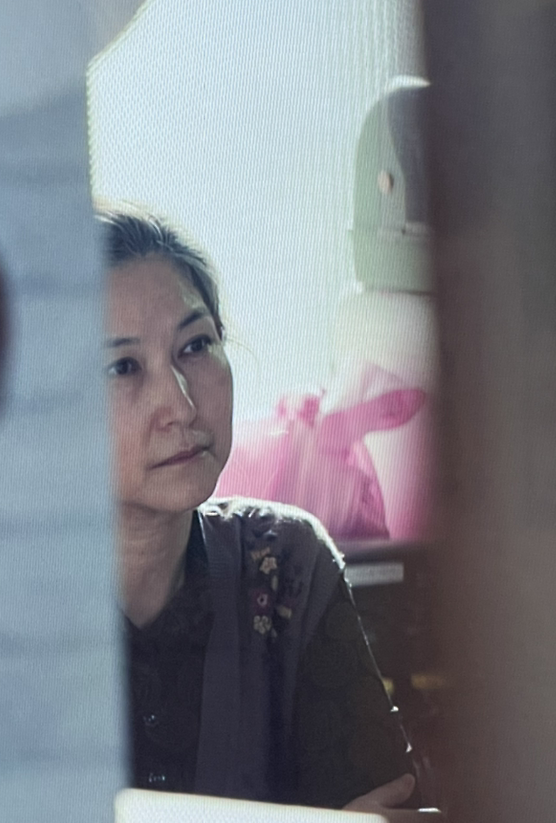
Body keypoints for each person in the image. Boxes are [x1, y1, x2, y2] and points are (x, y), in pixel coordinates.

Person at [99, 203, 437, 818]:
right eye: (122, 367)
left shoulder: (285, 565)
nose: (180, 404)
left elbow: (386, 811)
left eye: (196, 346)